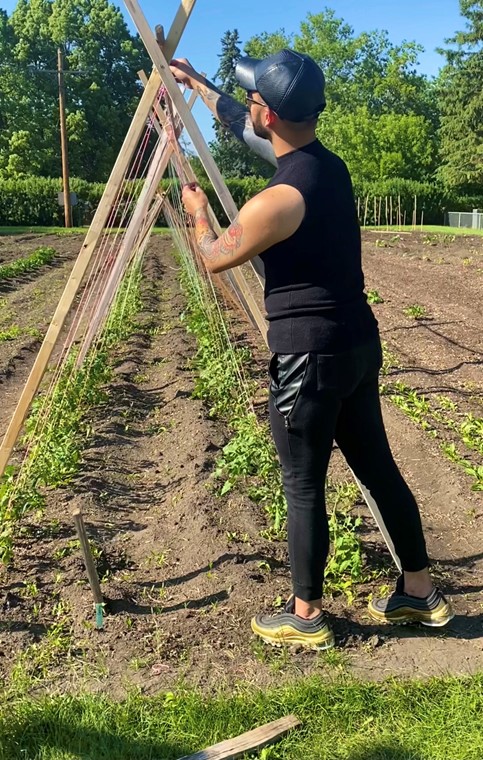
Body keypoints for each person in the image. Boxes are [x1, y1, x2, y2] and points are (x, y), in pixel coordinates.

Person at [169, 50, 454, 650]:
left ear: (270, 116)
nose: (246, 106)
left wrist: (199, 213)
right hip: (354, 343)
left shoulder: (278, 199)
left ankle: (306, 615)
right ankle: (421, 593)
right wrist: (195, 86)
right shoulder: (327, 168)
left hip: (309, 359)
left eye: (253, 100)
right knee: (378, 469)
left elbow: (217, 256)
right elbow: (245, 127)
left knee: (303, 484)